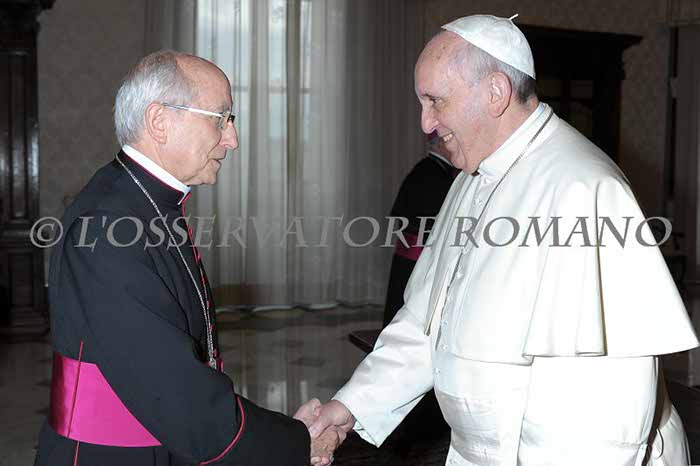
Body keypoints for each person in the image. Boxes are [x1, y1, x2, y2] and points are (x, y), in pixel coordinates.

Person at [303, 14, 699, 466]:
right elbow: (426, 324)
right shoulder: (473, 177)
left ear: (495, 93)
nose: (426, 123)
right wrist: (350, 407)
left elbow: (600, 413)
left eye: (435, 101)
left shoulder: (582, 191)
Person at [34, 50, 340, 466]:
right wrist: (296, 441)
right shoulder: (108, 223)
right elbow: (175, 390)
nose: (232, 139)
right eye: (220, 119)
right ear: (160, 121)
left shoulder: (141, 200)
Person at [383, 134, 458, 327]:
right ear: (440, 144)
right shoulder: (434, 175)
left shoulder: (427, 169)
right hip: (419, 258)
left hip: (410, 255)